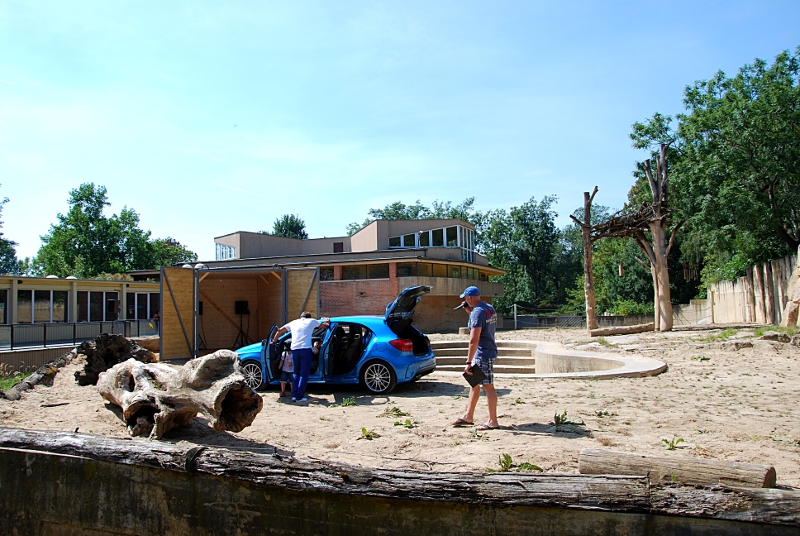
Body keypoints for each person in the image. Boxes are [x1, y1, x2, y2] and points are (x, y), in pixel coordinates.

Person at [451, 286, 500, 430]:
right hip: (488, 350)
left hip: (482, 354)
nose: (465, 301)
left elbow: (474, 339)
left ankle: (493, 421)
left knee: (488, 387)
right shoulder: (488, 308)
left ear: (470, 298)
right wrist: (469, 313)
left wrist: (468, 362)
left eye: (465, 298)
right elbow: (482, 324)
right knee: (474, 384)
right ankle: (469, 415)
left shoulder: (477, 313)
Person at [272, 312, 330, 403]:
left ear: (300, 317)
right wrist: (327, 321)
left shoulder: (293, 322)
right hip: (305, 350)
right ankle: (299, 397)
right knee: (303, 374)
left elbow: (280, 330)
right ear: (308, 317)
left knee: (296, 373)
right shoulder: (311, 321)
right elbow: (325, 326)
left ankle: (294, 395)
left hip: (294, 350)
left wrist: (274, 342)